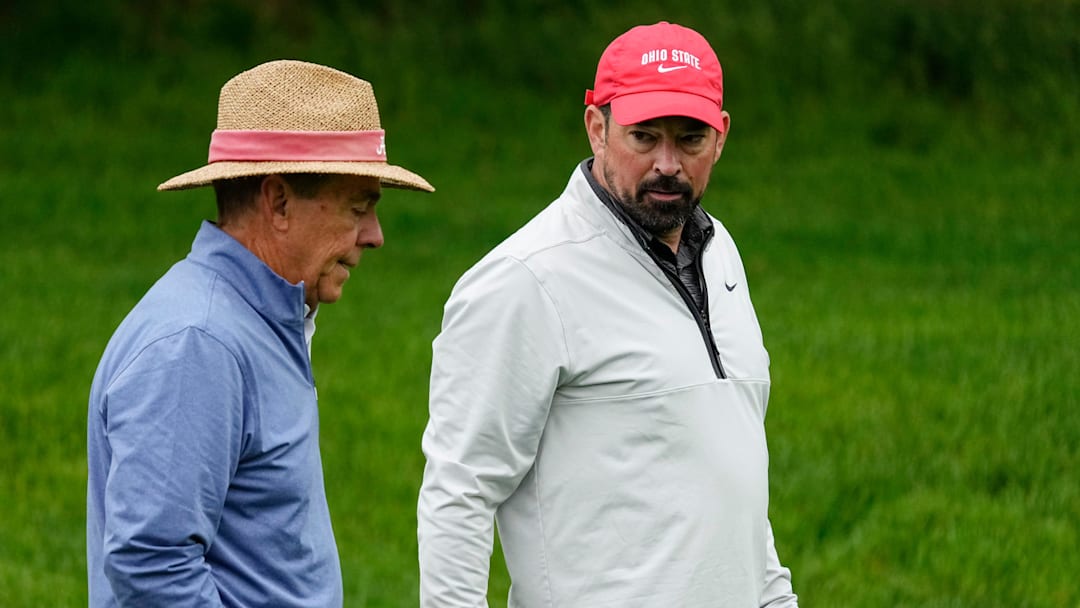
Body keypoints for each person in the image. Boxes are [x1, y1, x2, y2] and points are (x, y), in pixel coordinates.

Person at [417, 22, 797, 607]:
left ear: (720, 138)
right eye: (643, 137)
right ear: (597, 127)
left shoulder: (720, 251)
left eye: (689, 139)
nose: (667, 164)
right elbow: (458, 496)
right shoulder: (526, 280)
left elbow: (731, 476)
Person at [87, 59, 433, 607]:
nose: (375, 235)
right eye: (358, 207)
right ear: (278, 203)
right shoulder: (198, 343)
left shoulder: (254, 322)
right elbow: (151, 566)